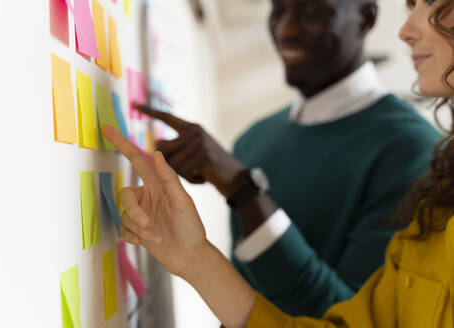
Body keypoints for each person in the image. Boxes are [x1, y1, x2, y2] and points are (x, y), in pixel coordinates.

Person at [102, 0, 454, 326]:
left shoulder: (413, 148)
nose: (286, 30)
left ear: (366, 16)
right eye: (278, 10)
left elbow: (335, 311)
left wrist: (246, 192)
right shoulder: (253, 138)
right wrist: (195, 258)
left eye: (313, 12)